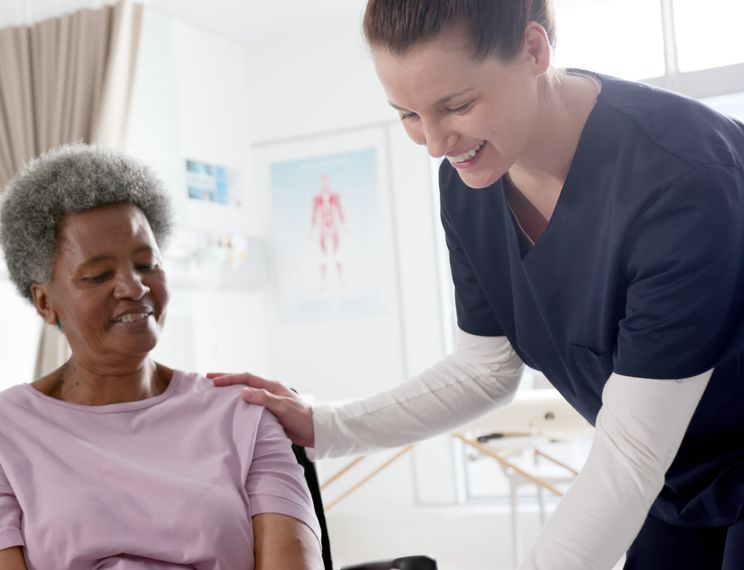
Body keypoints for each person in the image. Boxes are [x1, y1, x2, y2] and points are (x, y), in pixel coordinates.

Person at [212, 1, 744, 569]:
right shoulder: (468, 186)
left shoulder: (682, 181)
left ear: (534, 51)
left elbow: (632, 451)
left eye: (457, 105)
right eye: (408, 115)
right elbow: (486, 369)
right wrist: (324, 427)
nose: (437, 143)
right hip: (675, 486)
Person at [0, 144, 322, 570]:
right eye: (99, 275)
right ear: (45, 302)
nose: (133, 287)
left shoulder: (242, 412)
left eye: (146, 264)